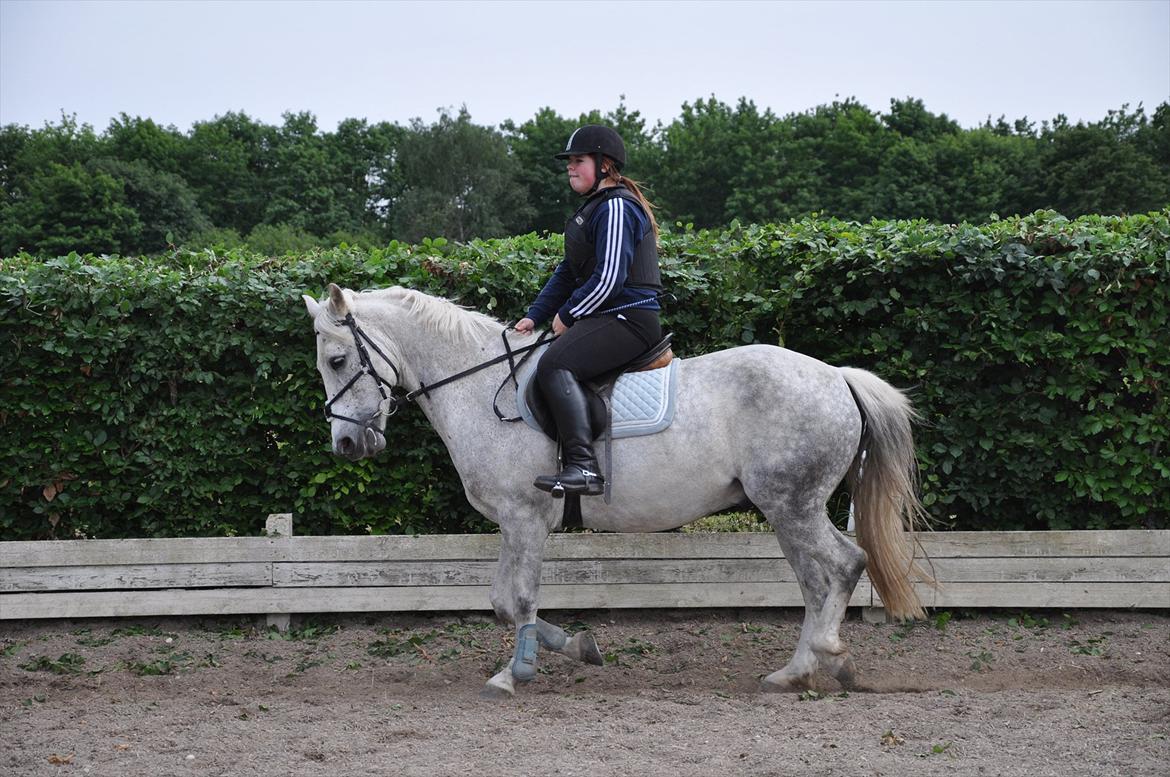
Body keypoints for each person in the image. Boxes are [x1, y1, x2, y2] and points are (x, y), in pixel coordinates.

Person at [514, 125, 663, 497]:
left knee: (554, 365)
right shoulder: (593, 209)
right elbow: (568, 271)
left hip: (629, 317)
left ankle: (584, 467)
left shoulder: (615, 206)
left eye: (578, 161)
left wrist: (568, 315)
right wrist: (536, 314)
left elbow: (609, 278)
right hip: (609, 316)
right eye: (569, 162)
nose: (570, 168)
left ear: (605, 165)